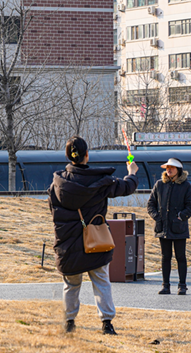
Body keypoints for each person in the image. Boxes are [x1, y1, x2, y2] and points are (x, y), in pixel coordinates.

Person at [48, 136, 139, 335]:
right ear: (86, 155)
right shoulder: (100, 180)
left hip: (68, 244)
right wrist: (132, 173)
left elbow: (53, 211)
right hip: (95, 242)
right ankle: (107, 323)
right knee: (101, 282)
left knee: (71, 285)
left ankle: (69, 322)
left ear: (68, 156)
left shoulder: (57, 183)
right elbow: (126, 188)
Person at [147, 158, 191, 295]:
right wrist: (157, 217)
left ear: (178, 170)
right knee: (165, 257)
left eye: (172, 168)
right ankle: (165, 285)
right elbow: (150, 204)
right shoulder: (159, 184)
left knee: (180, 257)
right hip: (163, 227)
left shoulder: (186, 186)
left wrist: (180, 216)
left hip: (179, 228)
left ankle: (182, 285)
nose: (169, 170)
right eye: (167, 167)